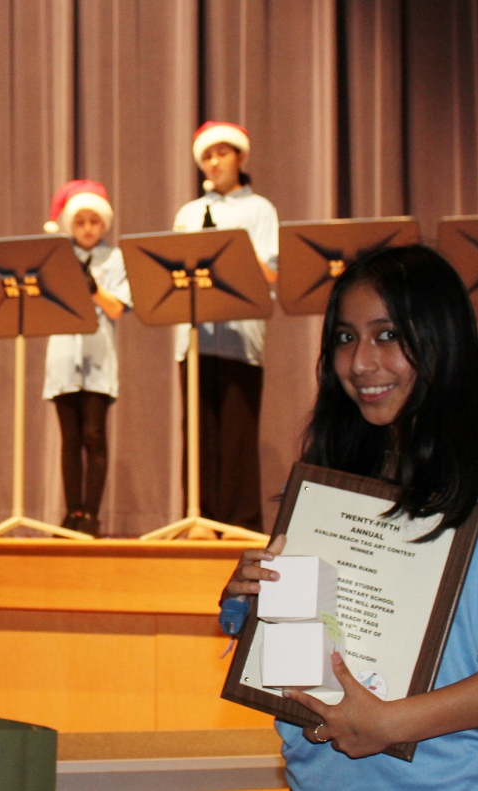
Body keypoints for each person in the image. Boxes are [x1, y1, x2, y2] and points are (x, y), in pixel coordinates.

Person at [221, 246, 478, 790]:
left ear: (443, 338)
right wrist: (252, 599)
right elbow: (303, 648)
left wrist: (393, 723)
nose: (361, 362)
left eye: (388, 334)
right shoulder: (328, 484)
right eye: (345, 338)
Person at [172, 121, 278, 530]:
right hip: (196, 339)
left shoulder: (259, 209)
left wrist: (228, 252)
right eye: (208, 156)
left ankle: (240, 522)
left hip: (239, 338)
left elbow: (270, 270)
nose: (215, 162)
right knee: (199, 431)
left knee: (237, 430)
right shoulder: (190, 212)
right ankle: (200, 517)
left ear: (240, 157)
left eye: (223, 153)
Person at [40, 180, 131, 534]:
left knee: (94, 435)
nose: (88, 228)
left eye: (95, 221)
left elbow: (118, 308)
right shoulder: (57, 259)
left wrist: (92, 287)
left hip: (98, 357)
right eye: (80, 221)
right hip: (63, 357)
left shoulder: (115, 258)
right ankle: (71, 512)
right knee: (70, 439)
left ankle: (91, 513)